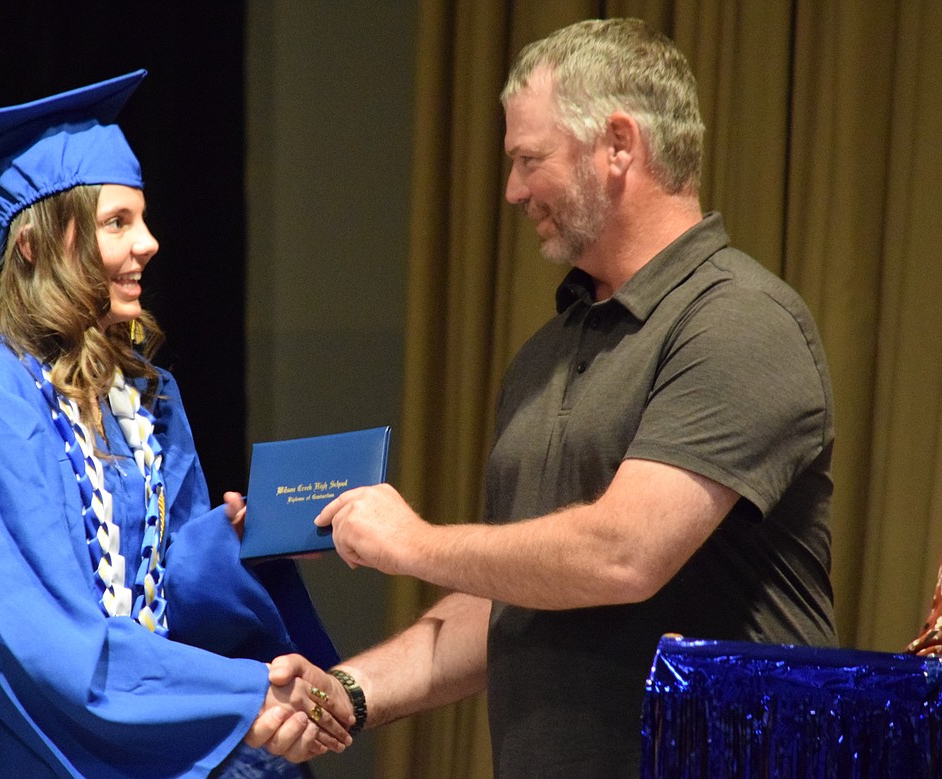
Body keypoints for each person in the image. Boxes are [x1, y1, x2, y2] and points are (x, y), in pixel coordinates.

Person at [279, 18, 839, 777]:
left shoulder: (739, 322)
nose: (511, 191)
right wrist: (349, 689)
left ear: (617, 145)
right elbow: (515, 589)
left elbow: (621, 553)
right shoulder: (546, 355)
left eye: (527, 159)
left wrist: (411, 543)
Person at [0, 70, 353, 778]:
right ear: (34, 247)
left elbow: (157, 587)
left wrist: (234, 546)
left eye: (143, 217)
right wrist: (245, 691)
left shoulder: (146, 392)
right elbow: (33, 637)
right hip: (21, 749)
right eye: (118, 222)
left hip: (142, 727)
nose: (150, 243)